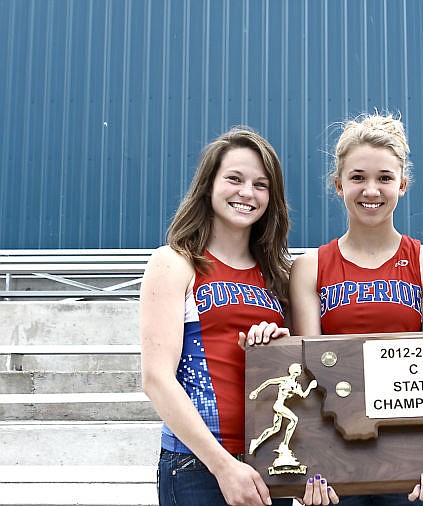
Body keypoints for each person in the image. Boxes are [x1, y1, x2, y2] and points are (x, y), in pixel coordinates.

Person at [141, 126, 337, 506]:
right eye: (234, 179)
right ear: (208, 185)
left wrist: (279, 346)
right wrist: (222, 466)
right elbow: (156, 379)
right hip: (197, 466)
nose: (247, 193)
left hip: (268, 463)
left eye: (260, 184)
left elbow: (306, 369)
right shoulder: (174, 262)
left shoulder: (279, 275)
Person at [289, 113, 423, 506]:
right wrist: (312, 459)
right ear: (338, 185)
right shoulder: (310, 267)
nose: (371, 190)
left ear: (403, 185)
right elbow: (308, 369)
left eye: (384, 178)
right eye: (358, 177)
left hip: (407, 458)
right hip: (333, 456)